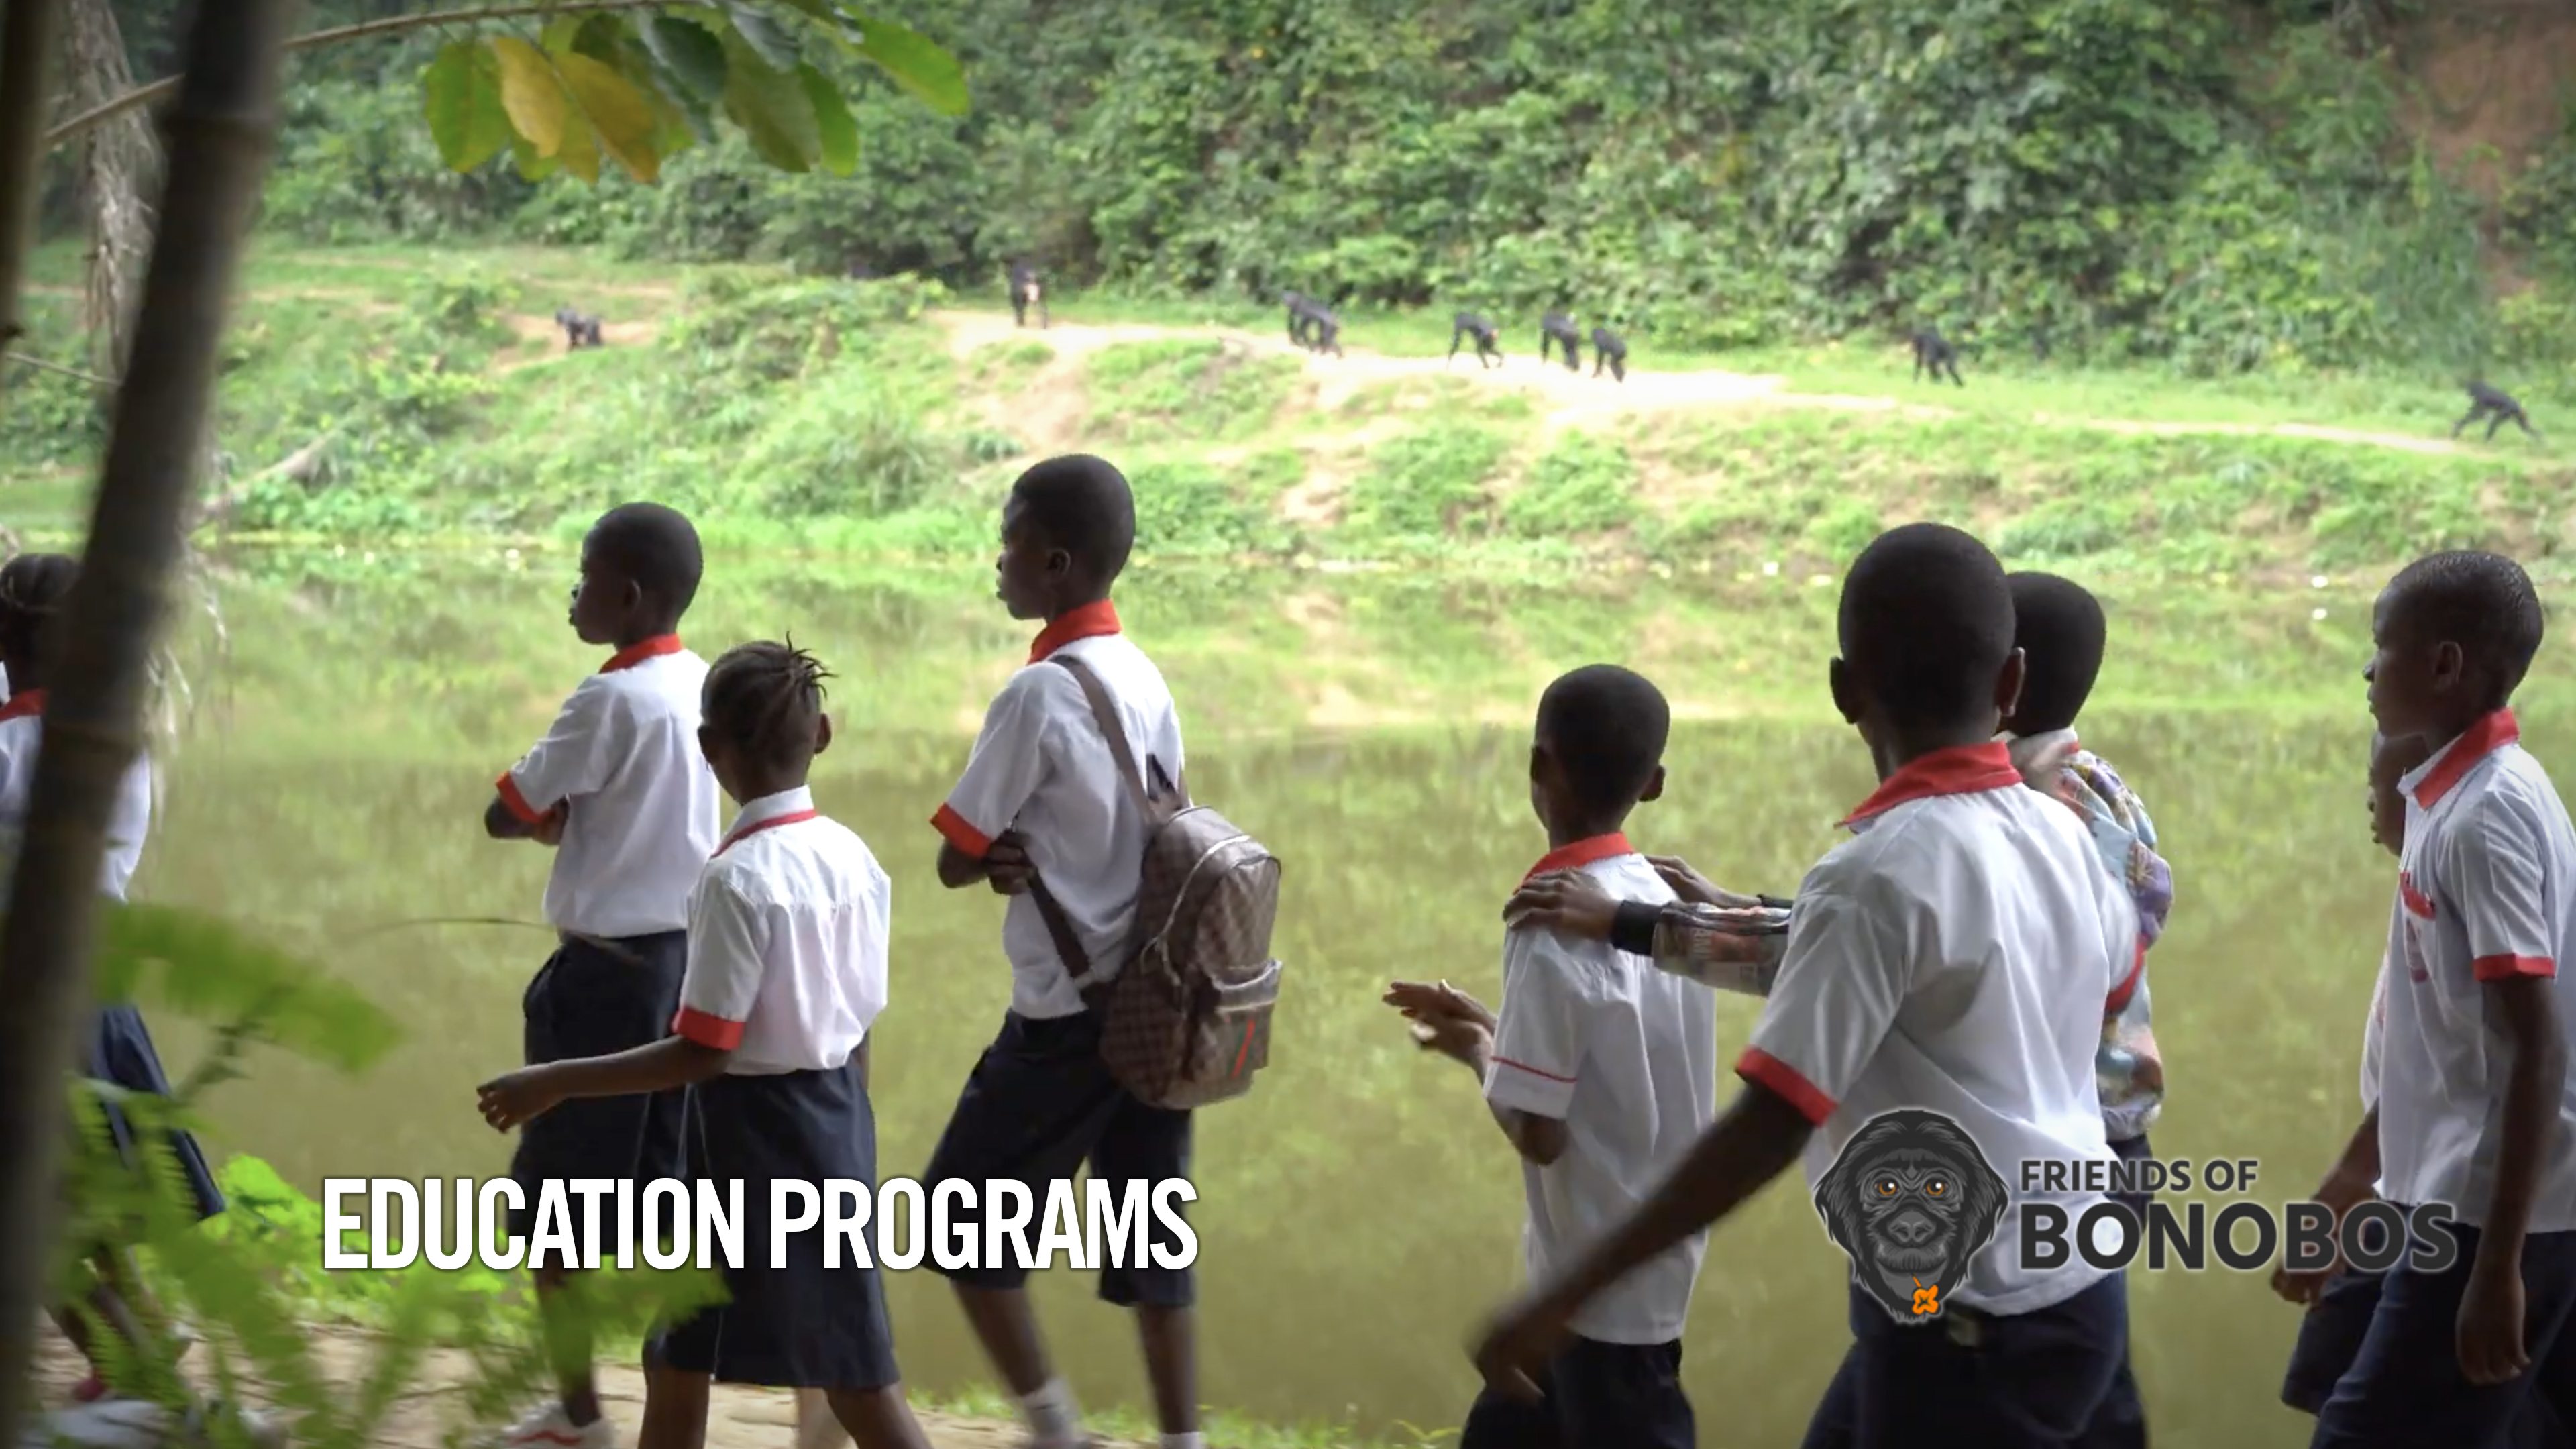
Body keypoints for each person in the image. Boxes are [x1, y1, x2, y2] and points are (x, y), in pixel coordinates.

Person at [1474, 522, 2141, 1448]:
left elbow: (1769, 1126)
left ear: (1843, 691)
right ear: (2012, 684)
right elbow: (2092, 996)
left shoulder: (1872, 878)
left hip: (1976, 1325)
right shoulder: (2069, 837)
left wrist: (1564, 1295)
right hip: (2071, 1279)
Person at [479, 641, 934, 1449]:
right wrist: (851, 1138)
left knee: (858, 1380)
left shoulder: (735, 880)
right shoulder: (854, 858)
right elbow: (861, 1024)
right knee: (682, 1350)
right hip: (832, 1117)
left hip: (761, 1138)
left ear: (707, 748)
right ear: (822, 734)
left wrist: (554, 1080)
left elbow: (703, 1052)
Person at [922, 454, 1199, 1449]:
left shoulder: (1037, 694)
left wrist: (992, 858)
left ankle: (1055, 1429)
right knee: (1154, 1236)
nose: (996, 565)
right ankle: (1183, 1441)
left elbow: (956, 855)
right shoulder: (1142, 673)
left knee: (957, 1219)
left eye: (1007, 546)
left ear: (1053, 562)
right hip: (1154, 1000)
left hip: (1066, 1017)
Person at [1384, 665, 1714, 1449]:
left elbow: (1540, 1131)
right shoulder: (1665, 909)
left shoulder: (1548, 915)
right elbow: (1612, 1068)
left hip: (1597, 1294)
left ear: (1539, 765)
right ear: (1655, 783)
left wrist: (1477, 1047)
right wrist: (1502, 1032)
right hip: (1626, 1275)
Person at [2290, 551, 2576, 1448]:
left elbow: (2538, 1048)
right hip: (2446, 1196)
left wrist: (2496, 1267)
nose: (2369, 668)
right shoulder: (2444, 805)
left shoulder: (2489, 818)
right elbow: (2449, 1046)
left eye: (2385, 647)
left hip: (2490, 1215)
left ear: (2447, 666)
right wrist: (2353, 1177)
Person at [478, 503, 721, 1449]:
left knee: (555, 1208)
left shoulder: (609, 697)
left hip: (607, 980)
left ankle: (581, 1415)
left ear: (627, 594)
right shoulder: (700, 682)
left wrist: (552, 820)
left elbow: (508, 811)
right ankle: (685, 1397)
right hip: (694, 967)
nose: (573, 593)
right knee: (681, 1194)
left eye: (583, 577)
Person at [0, 552, 221, 1403]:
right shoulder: (118, 745)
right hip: (100, 980)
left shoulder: (16, 745)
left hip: (31, 993)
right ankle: (142, 1331)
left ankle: (135, 1374)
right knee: (76, 1175)